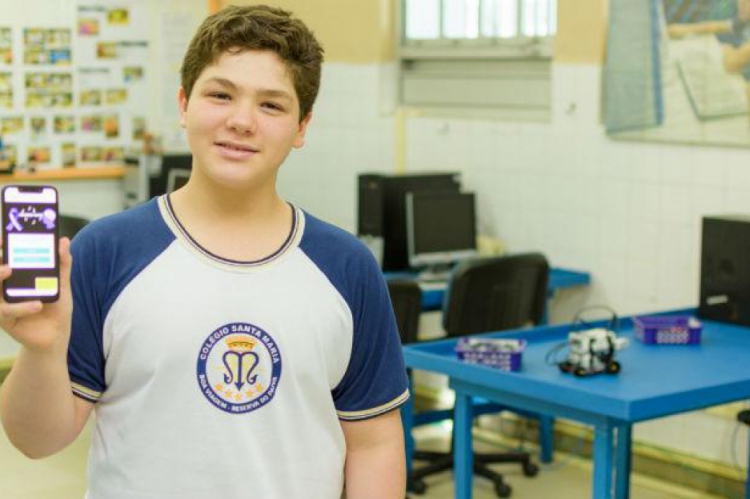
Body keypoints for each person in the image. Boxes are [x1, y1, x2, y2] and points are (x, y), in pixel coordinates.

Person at [0, 5, 409, 498]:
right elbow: (36, 441)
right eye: (220, 95)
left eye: (271, 105)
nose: (241, 121)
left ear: (302, 126)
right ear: (184, 104)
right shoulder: (106, 251)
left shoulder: (347, 267)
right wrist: (41, 352)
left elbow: (374, 445)